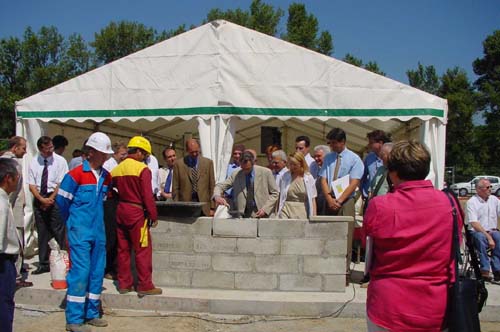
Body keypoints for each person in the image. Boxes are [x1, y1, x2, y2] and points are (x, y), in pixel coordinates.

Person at [363, 140, 460, 331]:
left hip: (389, 305)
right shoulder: (450, 203)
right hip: (435, 306)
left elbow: (368, 243)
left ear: (393, 171)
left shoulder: (380, 205)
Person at [56, 132, 113, 332]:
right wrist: (72, 225)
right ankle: (74, 319)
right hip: (80, 232)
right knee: (80, 273)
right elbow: (62, 203)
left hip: (98, 232)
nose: (106, 157)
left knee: (97, 271)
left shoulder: (106, 177)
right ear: (91, 152)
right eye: (103, 153)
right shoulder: (75, 175)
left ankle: (92, 313)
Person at [111, 136, 161, 296]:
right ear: (138, 151)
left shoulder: (116, 169)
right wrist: (153, 214)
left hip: (121, 210)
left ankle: (124, 284)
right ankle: (145, 285)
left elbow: (109, 191)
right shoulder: (142, 169)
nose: (146, 158)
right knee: (142, 249)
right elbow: (147, 196)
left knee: (123, 250)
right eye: (145, 154)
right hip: (137, 213)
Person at [320, 128, 364, 271]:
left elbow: (354, 182)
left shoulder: (354, 159)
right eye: (330, 143)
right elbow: (324, 179)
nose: (332, 146)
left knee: (346, 237)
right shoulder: (328, 158)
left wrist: (339, 201)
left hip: (346, 201)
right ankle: (328, 268)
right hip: (330, 198)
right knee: (328, 234)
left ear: (342, 142)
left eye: (334, 143)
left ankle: (344, 271)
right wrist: (328, 198)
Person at [27, 136, 68, 274]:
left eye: (51, 147)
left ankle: (62, 259)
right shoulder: (34, 162)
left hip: (54, 197)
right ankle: (43, 262)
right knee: (42, 230)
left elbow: (61, 182)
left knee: (58, 230)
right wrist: (41, 199)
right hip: (39, 197)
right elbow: (31, 184)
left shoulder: (60, 161)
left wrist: (50, 199)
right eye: (47, 149)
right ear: (40, 149)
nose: (50, 150)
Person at [0, 136, 33, 288]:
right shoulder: (12, 164)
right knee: (16, 243)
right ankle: (16, 276)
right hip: (13, 209)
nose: (25, 152)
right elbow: (10, 193)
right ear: (14, 148)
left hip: (12, 207)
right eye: (23, 148)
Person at [214, 151, 279, 218]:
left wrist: (265, 209)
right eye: (243, 168)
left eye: (248, 169)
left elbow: (275, 193)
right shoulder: (236, 174)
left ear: (253, 163)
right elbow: (220, 186)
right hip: (243, 216)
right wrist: (217, 196)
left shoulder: (266, 172)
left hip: (263, 215)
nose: (245, 171)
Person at [0, 158, 22, 332]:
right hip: (3, 261)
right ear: (8, 178)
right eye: (17, 176)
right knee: (4, 303)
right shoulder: (1, 204)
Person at [102, 141, 127, 280]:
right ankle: (107, 267)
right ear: (115, 153)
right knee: (110, 237)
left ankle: (114, 266)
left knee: (116, 237)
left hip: (116, 202)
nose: (124, 156)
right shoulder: (109, 166)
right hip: (108, 204)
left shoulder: (119, 165)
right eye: (122, 154)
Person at [466, 178, 500, 281]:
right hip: (477, 232)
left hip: (492, 230)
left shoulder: (494, 200)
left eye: (490, 187)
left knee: (499, 237)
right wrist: (488, 237)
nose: (490, 189)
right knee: (480, 238)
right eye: (487, 187)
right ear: (479, 189)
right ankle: (484, 269)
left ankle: (497, 269)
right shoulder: (472, 202)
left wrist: (491, 236)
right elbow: (474, 223)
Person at [173, 139, 215, 216]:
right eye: (192, 152)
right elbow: (175, 188)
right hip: (185, 206)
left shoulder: (208, 163)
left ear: (199, 148)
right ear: (187, 150)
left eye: (197, 151)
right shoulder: (178, 164)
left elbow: (212, 186)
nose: (195, 154)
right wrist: (177, 206)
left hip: (204, 206)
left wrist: (212, 207)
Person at [277, 152, 316, 219]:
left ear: (301, 163)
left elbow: (313, 198)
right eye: (290, 164)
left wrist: (314, 217)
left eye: (295, 164)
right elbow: (280, 195)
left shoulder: (308, 178)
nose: (292, 167)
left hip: (301, 210)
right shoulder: (285, 176)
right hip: (285, 208)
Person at [360, 130, 391, 200]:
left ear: (380, 143)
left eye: (371, 143)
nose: (369, 145)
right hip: (371, 198)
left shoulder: (391, 157)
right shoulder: (369, 158)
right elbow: (362, 177)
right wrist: (364, 192)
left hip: (386, 198)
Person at [310, 145, 330, 215]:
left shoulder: (331, 168)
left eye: (319, 156)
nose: (316, 158)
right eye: (314, 156)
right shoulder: (312, 166)